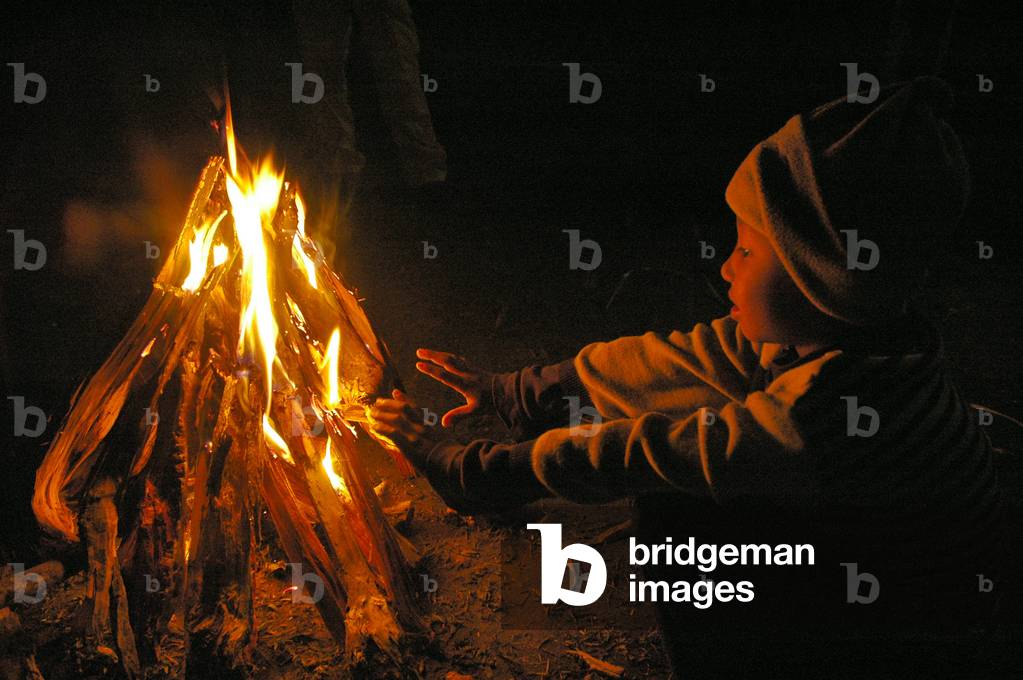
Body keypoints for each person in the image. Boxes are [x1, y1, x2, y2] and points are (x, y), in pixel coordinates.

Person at [368, 77, 1009, 677]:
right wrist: (518, 391)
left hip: (918, 629)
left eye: (750, 250)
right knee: (684, 505)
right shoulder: (853, 336)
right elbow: (679, 361)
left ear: (825, 278)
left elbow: (652, 451)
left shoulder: (823, 421)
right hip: (881, 557)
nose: (727, 267)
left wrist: (467, 469)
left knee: (682, 526)